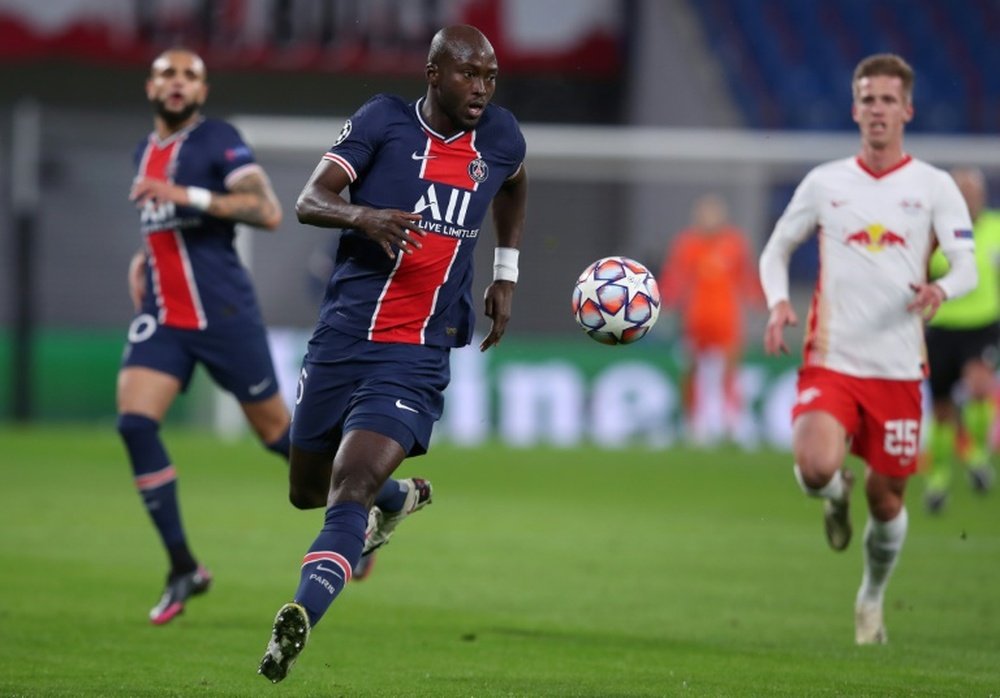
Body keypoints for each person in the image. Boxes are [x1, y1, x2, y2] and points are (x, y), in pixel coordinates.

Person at [257, 24, 527, 683]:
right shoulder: (382, 122)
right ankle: (394, 500)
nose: (482, 90)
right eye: (470, 76)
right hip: (342, 338)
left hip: (417, 352)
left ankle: (298, 619)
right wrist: (364, 217)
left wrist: (506, 271)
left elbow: (516, 182)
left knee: (349, 487)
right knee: (305, 492)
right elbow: (309, 199)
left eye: (491, 78)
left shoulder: (500, 137)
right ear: (434, 75)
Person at [758, 53, 977, 645]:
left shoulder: (934, 187)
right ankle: (833, 497)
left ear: (906, 109)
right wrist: (779, 302)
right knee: (814, 468)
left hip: (899, 369)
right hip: (832, 360)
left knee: (886, 503)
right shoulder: (826, 182)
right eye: (867, 98)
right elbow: (775, 250)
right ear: (855, 109)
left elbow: (968, 268)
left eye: (888, 99)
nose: (877, 109)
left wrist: (942, 287)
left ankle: (871, 599)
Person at [117, 48, 293, 625]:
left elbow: (267, 210)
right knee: (136, 423)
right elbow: (164, 230)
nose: (177, 82)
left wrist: (187, 196)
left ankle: (381, 497)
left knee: (278, 437)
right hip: (166, 317)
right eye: (167, 73)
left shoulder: (217, 138)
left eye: (189, 75)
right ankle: (182, 566)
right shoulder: (147, 151)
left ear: (202, 91)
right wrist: (144, 260)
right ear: (149, 87)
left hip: (222, 315)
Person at [658, 193, 764, 446]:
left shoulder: (734, 244)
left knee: (729, 371)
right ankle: (695, 423)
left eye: (713, 213)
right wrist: (663, 301)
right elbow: (675, 278)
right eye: (704, 213)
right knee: (693, 371)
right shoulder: (687, 244)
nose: (709, 219)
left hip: (726, 318)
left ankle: (731, 423)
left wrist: (758, 301)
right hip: (696, 319)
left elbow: (745, 278)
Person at [923, 167, 1000, 512]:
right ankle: (939, 479)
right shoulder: (936, 234)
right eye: (962, 192)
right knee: (941, 410)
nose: (969, 199)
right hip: (941, 327)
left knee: (979, 385)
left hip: (983, 323)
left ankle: (979, 453)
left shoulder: (997, 229)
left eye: (973, 192)